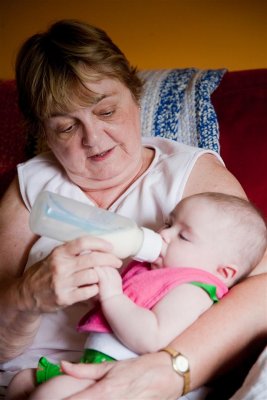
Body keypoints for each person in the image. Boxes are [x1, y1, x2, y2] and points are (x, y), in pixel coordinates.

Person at [0, 18, 266, 400]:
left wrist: (172, 369)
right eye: (65, 127)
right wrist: (27, 296)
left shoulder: (191, 176)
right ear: (42, 130)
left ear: (135, 94)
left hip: (143, 375)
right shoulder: (31, 185)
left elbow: (262, 291)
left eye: (106, 112)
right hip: (32, 377)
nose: (93, 138)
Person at [6, 192, 267, 400]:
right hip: (94, 364)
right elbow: (126, 308)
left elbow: (151, 337)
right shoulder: (153, 271)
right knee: (21, 382)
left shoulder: (193, 289)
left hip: (127, 379)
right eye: (169, 223)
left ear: (222, 272)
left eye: (183, 236)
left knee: (51, 394)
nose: (163, 234)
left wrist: (113, 297)